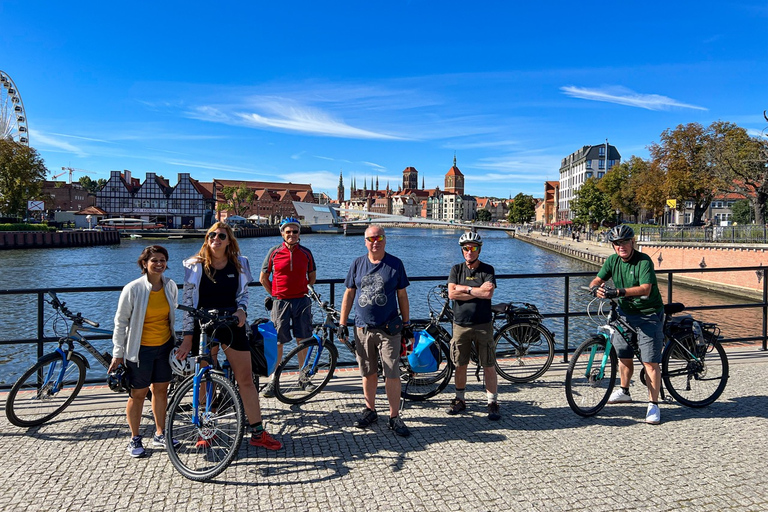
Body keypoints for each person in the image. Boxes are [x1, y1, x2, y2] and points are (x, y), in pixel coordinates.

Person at [175, 222, 282, 450]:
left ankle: (258, 432)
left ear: (228, 240)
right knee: (205, 378)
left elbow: (243, 294)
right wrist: (187, 336)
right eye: (212, 235)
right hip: (203, 325)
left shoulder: (239, 264)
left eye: (221, 235)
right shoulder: (194, 266)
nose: (216, 238)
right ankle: (208, 429)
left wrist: (242, 309)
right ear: (207, 238)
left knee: (245, 379)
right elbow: (187, 301)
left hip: (231, 324)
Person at [337, 225, 413, 437]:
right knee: (368, 372)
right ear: (365, 242)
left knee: (392, 372)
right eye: (371, 238)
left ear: (385, 240)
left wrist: (407, 325)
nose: (375, 241)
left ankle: (394, 416)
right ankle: (370, 410)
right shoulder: (357, 264)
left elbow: (402, 296)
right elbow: (349, 294)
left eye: (379, 237)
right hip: (362, 327)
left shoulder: (395, 264)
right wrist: (342, 323)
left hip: (389, 328)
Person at [589, 224, 665, 425]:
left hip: (648, 314)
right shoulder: (613, 260)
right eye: (616, 243)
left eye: (624, 242)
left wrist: (619, 292)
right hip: (624, 314)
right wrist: (596, 287)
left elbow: (646, 288)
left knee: (650, 362)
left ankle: (653, 405)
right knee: (624, 355)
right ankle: (624, 391)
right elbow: (597, 279)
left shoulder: (643, 261)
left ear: (632, 242)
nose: (620, 246)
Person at [109, 245, 179, 458]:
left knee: (160, 391)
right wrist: (118, 352)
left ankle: (160, 433)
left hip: (164, 346)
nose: (159, 264)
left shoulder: (170, 285)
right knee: (137, 394)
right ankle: (135, 438)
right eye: (154, 260)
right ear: (144, 264)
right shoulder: (133, 288)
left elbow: (173, 314)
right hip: (139, 349)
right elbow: (121, 322)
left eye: (162, 260)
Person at [445, 232, 501, 420]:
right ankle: (460, 399)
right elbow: (452, 294)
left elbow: (488, 294)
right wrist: (476, 290)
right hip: (460, 324)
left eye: (474, 248)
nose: (470, 251)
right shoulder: (456, 269)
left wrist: (465, 289)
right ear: (462, 250)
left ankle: (492, 402)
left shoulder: (488, 269)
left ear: (479, 249)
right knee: (460, 364)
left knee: (488, 364)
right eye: (466, 248)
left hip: (483, 324)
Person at [259, 217, 317, 397]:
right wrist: (276, 294)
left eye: (295, 231)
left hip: (302, 300)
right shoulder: (274, 252)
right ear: (282, 233)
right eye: (288, 231)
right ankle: (273, 381)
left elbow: (312, 277)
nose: (292, 234)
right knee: (278, 342)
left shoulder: (306, 253)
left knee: (304, 339)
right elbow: (263, 278)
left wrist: (304, 291)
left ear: (299, 233)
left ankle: (304, 377)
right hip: (280, 302)